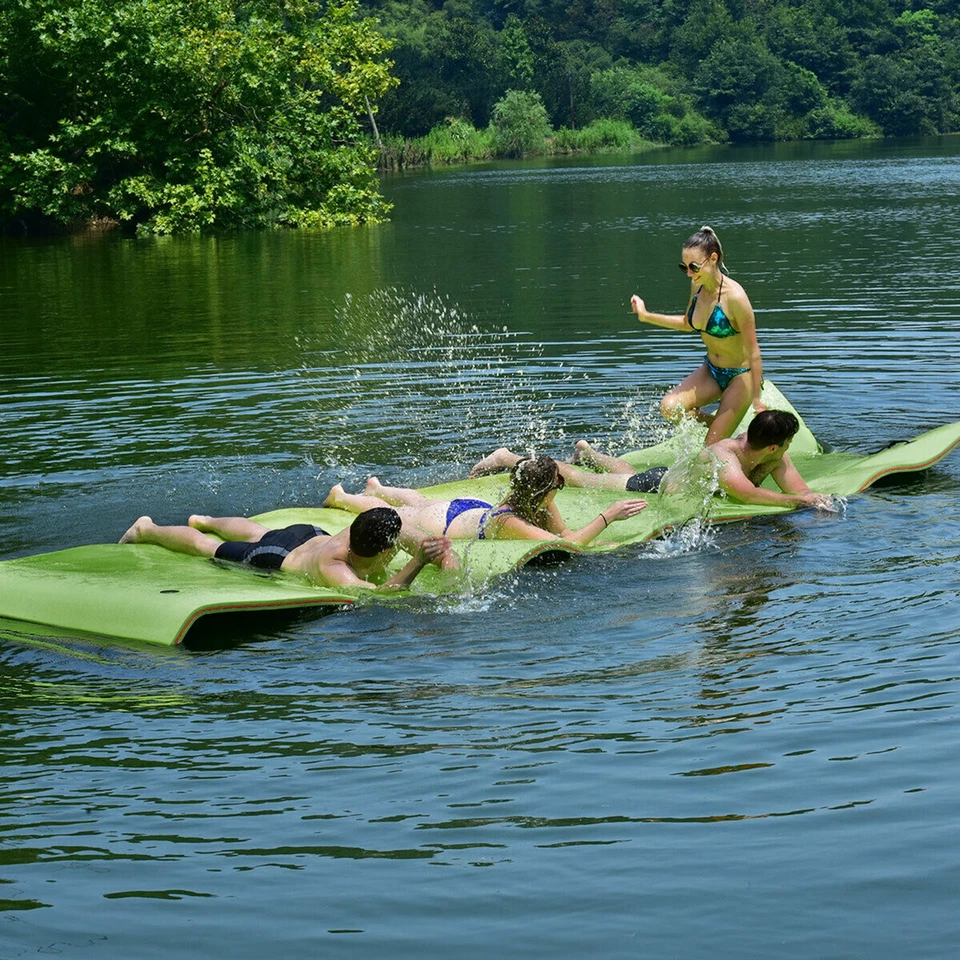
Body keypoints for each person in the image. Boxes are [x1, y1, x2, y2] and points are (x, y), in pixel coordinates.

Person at [469, 411, 835, 511]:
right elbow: (746, 495)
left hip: (666, 476)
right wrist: (798, 502)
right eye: (788, 442)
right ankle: (509, 456)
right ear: (772, 446)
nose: (790, 448)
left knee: (628, 469)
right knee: (582, 480)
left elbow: (802, 490)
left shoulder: (774, 456)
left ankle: (589, 452)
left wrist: (812, 500)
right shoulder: (724, 456)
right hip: (657, 487)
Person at [324, 455, 649, 546]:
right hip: (449, 520)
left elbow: (565, 533)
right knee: (400, 512)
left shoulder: (539, 499)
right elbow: (566, 544)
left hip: (471, 510)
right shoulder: (509, 523)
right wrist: (609, 515)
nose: (561, 488)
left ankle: (377, 486)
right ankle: (345, 497)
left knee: (418, 499)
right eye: (557, 484)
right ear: (543, 489)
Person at [631, 225, 765, 444]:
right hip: (712, 370)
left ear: (713, 258)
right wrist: (646, 316)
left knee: (710, 449)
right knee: (670, 409)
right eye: (684, 268)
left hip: (742, 376)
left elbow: (754, 350)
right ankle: (728, 431)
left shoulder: (736, 298)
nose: (689, 274)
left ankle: (723, 433)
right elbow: (687, 323)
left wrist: (757, 401)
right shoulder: (698, 286)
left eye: (693, 266)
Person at [119, 506, 456, 591]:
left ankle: (203, 516)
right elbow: (380, 594)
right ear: (386, 553)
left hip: (310, 533)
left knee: (257, 529)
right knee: (210, 548)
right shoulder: (333, 567)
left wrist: (448, 567)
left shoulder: (383, 525)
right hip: (280, 556)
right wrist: (417, 563)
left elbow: (439, 550)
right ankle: (146, 528)